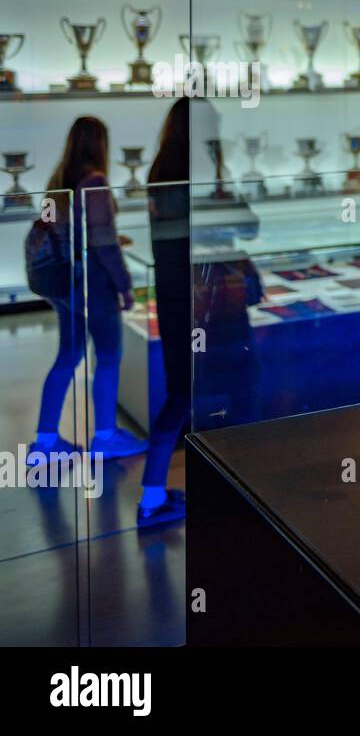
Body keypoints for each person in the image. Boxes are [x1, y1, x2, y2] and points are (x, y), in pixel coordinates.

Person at [30, 117, 146, 463]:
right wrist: (125, 288)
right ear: (100, 144)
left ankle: (45, 441)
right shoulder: (95, 181)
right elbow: (103, 244)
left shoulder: (60, 178)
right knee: (108, 356)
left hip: (65, 281)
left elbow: (70, 230)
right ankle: (106, 436)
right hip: (92, 283)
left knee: (68, 355)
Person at [138, 98, 192, 526]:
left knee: (181, 394)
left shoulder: (161, 173)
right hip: (196, 300)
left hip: (177, 295)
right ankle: (152, 497)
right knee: (185, 396)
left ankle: (154, 492)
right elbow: (244, 225)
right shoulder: (193, 179)